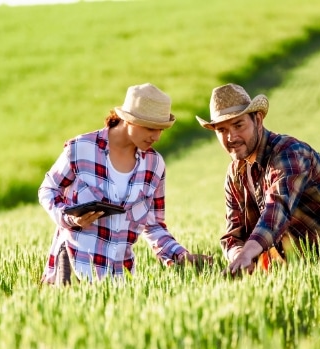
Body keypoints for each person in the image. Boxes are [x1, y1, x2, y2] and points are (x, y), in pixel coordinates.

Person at [196, 83, 320, 276]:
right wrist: (238, 259)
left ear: (258, 120)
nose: (231, 137)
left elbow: (277, 210)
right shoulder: (235, 175)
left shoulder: (289, 154)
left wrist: (249, 253)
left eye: (238, 125)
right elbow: (233, 235)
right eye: (222, 130)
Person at [39, 83, 211, 284]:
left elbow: (154, 225)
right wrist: (70, 219)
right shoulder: (81, 148)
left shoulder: (154, 166)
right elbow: (48, 190)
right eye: (150, 128)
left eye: (161, 129)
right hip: (71, 271)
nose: (156, 137)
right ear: (128, 120)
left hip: (120, 280)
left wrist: (181, 256)